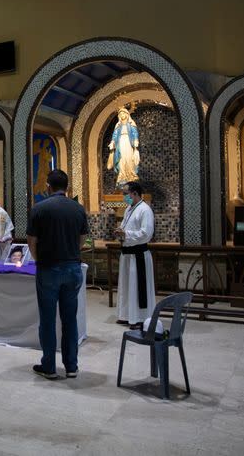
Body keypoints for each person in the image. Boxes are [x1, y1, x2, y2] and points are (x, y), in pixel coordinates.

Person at [26, 170, 88, 380]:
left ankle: (49, 366)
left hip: (48, 268)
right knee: (69, 318)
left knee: (48, 318)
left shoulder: (39, 208)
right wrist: (72, 254)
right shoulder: (78, 209)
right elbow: (83, 239)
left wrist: (37, 259)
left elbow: (31, 241)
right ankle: (71, 366)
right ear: (67, 187)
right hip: (72, 268)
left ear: (47, 186)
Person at [113, 181, 155, 330]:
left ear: (135, 193)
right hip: (127, 256)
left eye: (126, 194)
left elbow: (146, 234)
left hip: (138, 256)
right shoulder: (129, 209)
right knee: (127, 286)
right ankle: (126, 315)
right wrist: (120, 232)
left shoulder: (145, 210)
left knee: (138, 287)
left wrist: (126, 234)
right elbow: (125, 227)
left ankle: (140, 318)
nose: (124, 197)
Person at [107, 106, 140, 188]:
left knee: (129, 158)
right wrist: (112, 142)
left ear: (127, 114)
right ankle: (122, 176)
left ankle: (131, 175)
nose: (122, 115)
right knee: (121, 159)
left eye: (123, 113)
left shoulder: (131, 123)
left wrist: (136, 140)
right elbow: (114, 136)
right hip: (120, 143)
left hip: (128, 142)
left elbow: (135, 133)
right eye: (120, 114)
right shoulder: (118, 125)